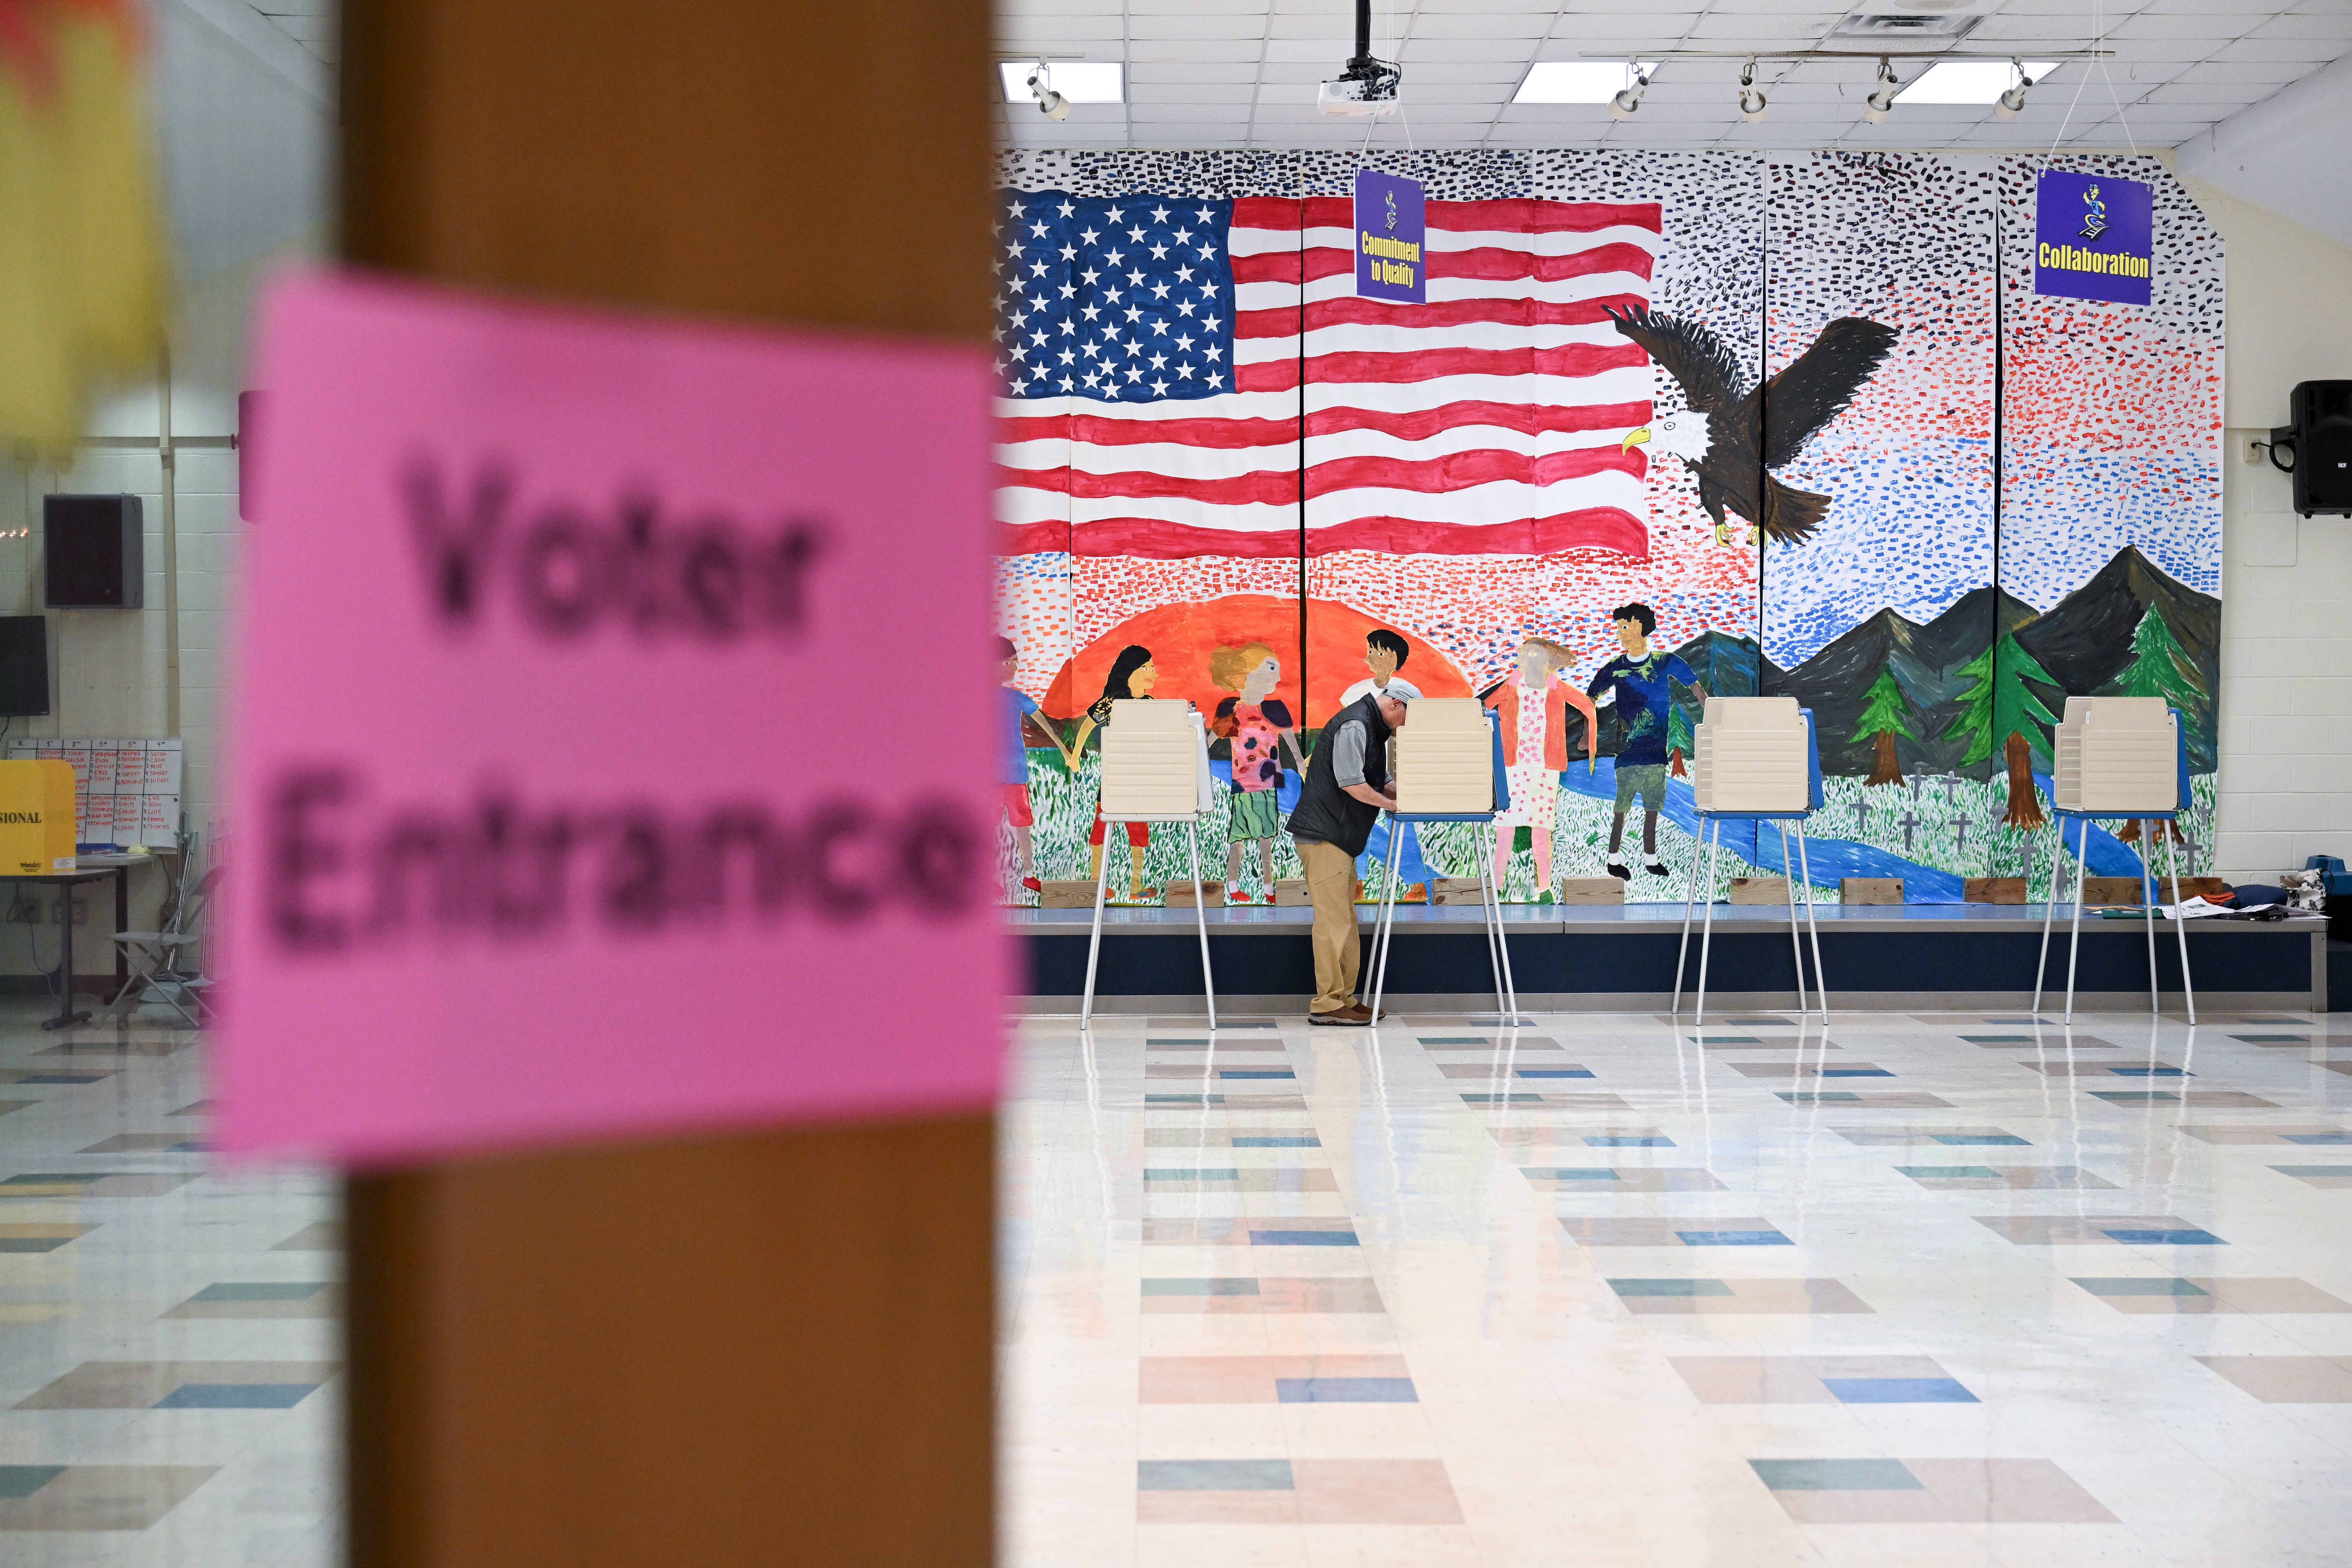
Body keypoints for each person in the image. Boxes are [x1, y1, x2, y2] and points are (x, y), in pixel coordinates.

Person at [1285, 686, 1408, 1025]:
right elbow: (1352, 783)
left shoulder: (1370, 726)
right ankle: (1326, 1004)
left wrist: (1423, 791)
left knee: (1347, 923)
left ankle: (1345, 999)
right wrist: (1394, 805)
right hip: (1326, 837)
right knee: (1333, 922)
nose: (1404, 725)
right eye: (1406, 717)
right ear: (1396, 703)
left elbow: (1380, 781)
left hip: (1339, 838)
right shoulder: (1356, 724)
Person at [1585, 603, 1706, 880]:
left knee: (1653, 809)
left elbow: (1697, 690)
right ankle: (1613, 859)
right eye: (1618, 629)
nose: (1619, 634)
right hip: (1626, 754)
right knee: (1621, 810)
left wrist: (1716, 719)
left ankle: (1651, 859)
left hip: (1655, 754)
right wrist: (1586, 735)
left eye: (1624, 627)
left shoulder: (1666, 662)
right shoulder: (1615, 667)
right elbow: (1590, 699)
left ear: (1640, 626)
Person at [1485, 638, 1597, 901]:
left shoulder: (1556, 687)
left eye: (1529, 655)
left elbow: (1589, 708)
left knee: (1541, 828)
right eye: (1524, 655)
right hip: (1513, 766)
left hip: (1546, 768)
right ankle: (1497, 885)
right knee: (1506, 826)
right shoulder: (1512, 685)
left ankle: (1543, 888)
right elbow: (1485, 709)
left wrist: (1588, 743)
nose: (1524, 660)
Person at [1206, 641, 1301, 905]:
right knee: (1238, 838)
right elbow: (1210, 742)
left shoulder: (1275, 710)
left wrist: (1304, 769)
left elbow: (1293, 748)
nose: (1279, 677)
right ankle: (1233, 884)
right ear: (1248, 672)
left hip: (1268, 783)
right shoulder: (1230, 709)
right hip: (1241, 784)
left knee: (1266, 838)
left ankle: (1269, 887)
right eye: (1272, 668)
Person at [1063, 644, 1159, 903]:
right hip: (1115, 777)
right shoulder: (1112, 702)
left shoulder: (1151, 704)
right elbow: (1086, 726)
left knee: (1139, 831)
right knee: (1102, 828)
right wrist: (1074, 756)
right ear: (1132, 672)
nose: (1154, 674)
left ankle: (1135, 886)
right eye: (1148, 668)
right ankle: (1097, 883)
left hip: (1139, 780)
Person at [996, 636, 1047, 899]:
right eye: (1010, 662)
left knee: (1022, 825)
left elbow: (1043, 722)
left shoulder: (1017, 698)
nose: (1015, 668)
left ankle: (1029, 874)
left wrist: (1064, 748)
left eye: (1015, 662)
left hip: (1016, 775)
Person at [1336, 628, 1425, 706]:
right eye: (1370, 652)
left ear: (1395, 659)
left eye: (1381, 654)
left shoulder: (1407, 690)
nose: (1368, 659)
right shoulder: (1357, 690)